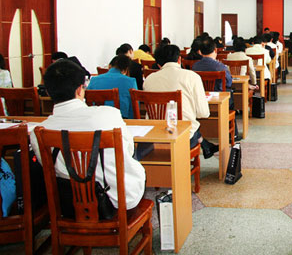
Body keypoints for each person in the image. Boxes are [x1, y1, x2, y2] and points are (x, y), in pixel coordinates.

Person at [30, 59, 146, 210]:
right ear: (80, 89)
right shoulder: (108, 115)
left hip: (68, 204)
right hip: (113, 201)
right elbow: (128, 150)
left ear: (47, 91)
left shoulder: (38, 132)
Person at [143, 45, 218, 159]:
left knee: (192, 126)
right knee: (191, 126)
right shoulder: (192, 77)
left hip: (154, 135)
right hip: (182, 137)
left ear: (158, 64)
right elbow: (203, 113)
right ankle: (205, 145)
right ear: (179, 59)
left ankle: (206, 145)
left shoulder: (149, 79)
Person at [87, 55, 137, 119]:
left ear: (109, 66)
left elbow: (88, 103)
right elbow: (134, 108)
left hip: (96, 118)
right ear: (126, 70)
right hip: (121, 119)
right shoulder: (131, 81)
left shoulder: (94, 79)